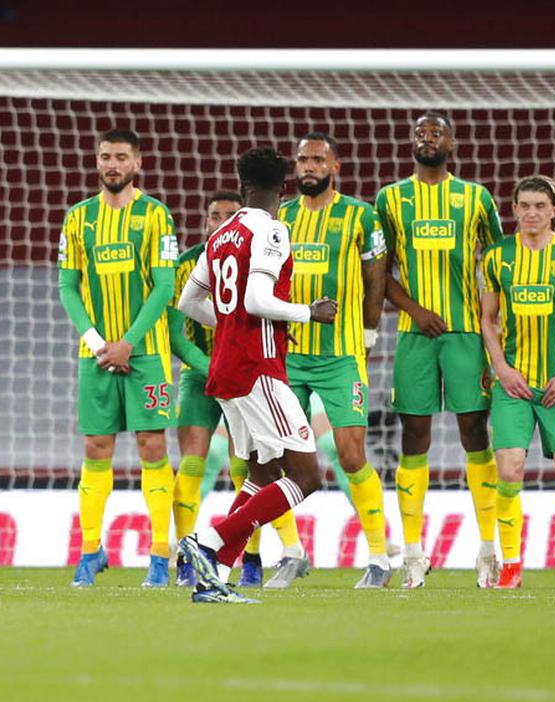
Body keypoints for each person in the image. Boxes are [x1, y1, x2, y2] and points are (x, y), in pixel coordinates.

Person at [176, 147, 337, 603]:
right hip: (257, 368)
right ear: (283, 189)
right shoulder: (272, 229)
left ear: (241, 182)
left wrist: (227, 325)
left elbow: (190, 302)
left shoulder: (221, 233)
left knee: (261, 475)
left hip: (227, 367)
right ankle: (208, 541)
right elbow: (256, 300)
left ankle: (215, 578)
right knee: (306, 476)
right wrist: (309, 312)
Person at [375, 112, 504, 589]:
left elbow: (499, 263)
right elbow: (379, 271)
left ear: (452, 142)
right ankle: (412, 552)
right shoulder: (390, 199)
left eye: (436, 132)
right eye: (419, 133)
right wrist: (414, 309)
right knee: (414, 436)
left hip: (468, 331)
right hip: (415, 335)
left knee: (475, 430)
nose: (426, 138)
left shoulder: (476, 198)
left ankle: (488, 548)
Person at [58, 128, 180, 588]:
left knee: (152, 447)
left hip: (145, 354)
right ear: (97, 162)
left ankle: (159, 555)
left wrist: (128, 342)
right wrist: (97, 343)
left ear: (138, 163)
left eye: (121, 157)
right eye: (106, 156)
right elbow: (68, 286)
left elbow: (164, 287)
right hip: (96, 355)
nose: (112, 164)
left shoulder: (155, 216)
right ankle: (90, 550)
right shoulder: (78, 219)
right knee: (95, 449)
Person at [273, 132, 392, 589]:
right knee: (276, 453)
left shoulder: (361, 216)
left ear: (335, 166)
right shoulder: (279, 216)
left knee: (350, 453)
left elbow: (376, 276)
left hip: (342, 355)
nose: (308, 167)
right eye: (302, 159)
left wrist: (367, 333)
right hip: (290, 355)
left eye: (318, 160)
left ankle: (380, 557)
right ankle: (290, 551)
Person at [478, 175, 555, 589]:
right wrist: (501, 368)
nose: (531, 213)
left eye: (539, 206)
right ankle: (511, 565)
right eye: (524, 205)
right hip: (513, 384)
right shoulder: (496, 259)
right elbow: (488, 319)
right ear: (513, 209)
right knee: (509, 469)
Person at [168, 190, 240, 587]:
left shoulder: (256, 258)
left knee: (245, 466)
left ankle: (247, 555)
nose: (222, 221)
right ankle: (183, 554)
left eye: (232, 215)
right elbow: (176, 335)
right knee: (192, 462)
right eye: (216, 215)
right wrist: (210, 367)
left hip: (243, 374)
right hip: (201, 374)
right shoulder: (184, 265)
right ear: (206, 221)